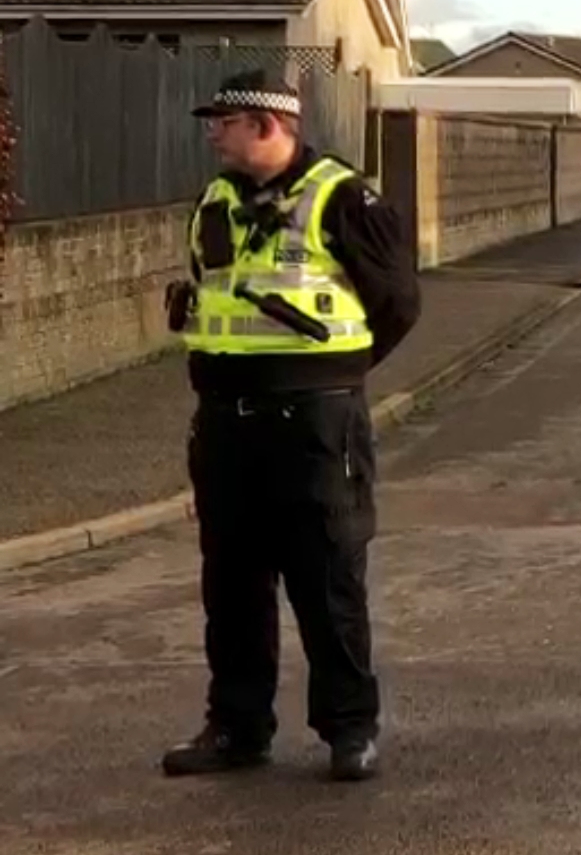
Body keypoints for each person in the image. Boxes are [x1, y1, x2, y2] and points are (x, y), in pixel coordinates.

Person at [160, 70, 420, 783]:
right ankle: (238, 727)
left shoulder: (343, 197)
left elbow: (397, 301)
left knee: (328, 577)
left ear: (269, 126)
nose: (213, 132)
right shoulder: (215, 198)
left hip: (313, 423)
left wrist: (335, 376)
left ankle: (349, 729)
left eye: (226, 121)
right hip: (225, 425)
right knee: (232, 585)